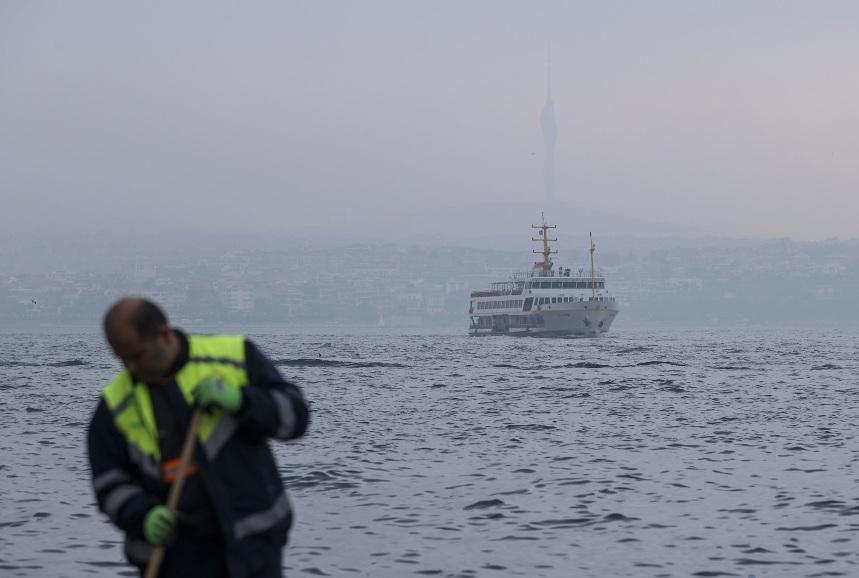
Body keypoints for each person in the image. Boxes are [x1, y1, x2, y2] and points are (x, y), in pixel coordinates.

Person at [87, 297, 309, 577]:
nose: (130, 367)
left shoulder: (234, 358)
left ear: (163, 335)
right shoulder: (115, 407)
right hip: (174, 560)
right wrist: (142, 515)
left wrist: (242, 401)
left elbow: (296, 418)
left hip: (252, 550)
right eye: (121, 358)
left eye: (137, 355)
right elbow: (108, 483)